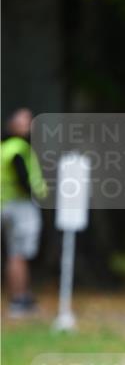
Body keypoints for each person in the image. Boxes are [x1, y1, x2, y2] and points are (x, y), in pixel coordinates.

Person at [1, 108, 47, 318]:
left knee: (15, 253)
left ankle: (22, 296)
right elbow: (22, 178)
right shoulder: (18, 148)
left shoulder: (5, 147)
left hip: (6, 204)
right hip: (19, 206)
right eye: (22, 121)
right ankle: (19, 299)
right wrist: (38, 193)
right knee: (18, 254)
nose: (27, 125)